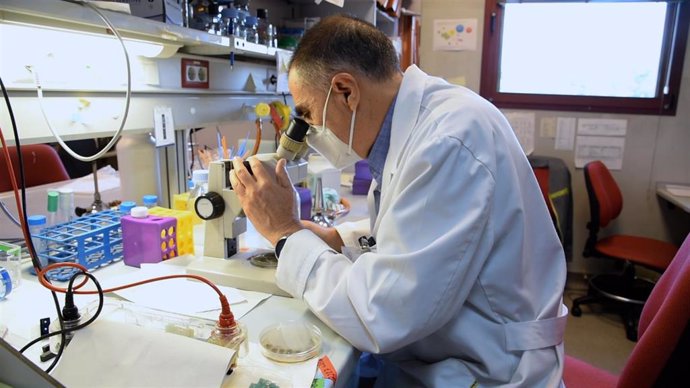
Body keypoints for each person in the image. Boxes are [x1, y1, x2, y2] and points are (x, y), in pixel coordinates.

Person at [229, 14, 568, 387]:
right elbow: (414, 226)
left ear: (346, 91)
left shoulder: (447, 141)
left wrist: (285, 232)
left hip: (489, 367)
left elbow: (383, 314)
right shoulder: (419, 125)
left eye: (309, 114)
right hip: (450, 344)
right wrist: (340, 240)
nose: (309, 132)